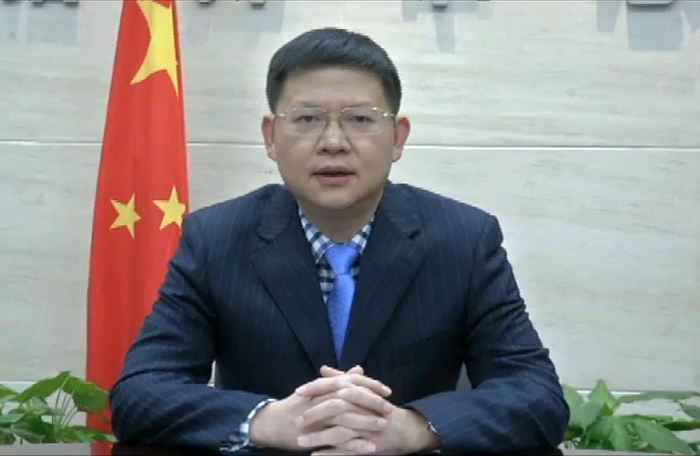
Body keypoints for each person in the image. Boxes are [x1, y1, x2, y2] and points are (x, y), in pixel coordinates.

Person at [110, 27, 570, 455]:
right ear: (271, 136)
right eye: (307, 119)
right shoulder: (216, 238)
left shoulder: (463, 239)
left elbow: (537, 395)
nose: (333, 142)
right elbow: (140, 393)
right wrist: (267, 421)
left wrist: (412, 428)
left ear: (398, 138)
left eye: (361, 119)